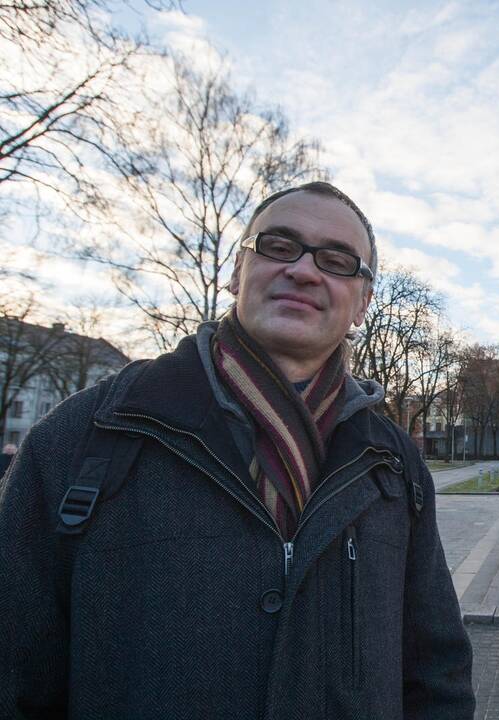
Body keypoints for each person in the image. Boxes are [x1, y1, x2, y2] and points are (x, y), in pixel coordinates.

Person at [0, 182, 474, 719]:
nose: (303, 269)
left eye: (337, 260)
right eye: (277, 246)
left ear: (363, 302)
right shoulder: (84, 436)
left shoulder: (395, 464)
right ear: (235, 272)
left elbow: (437, 672)